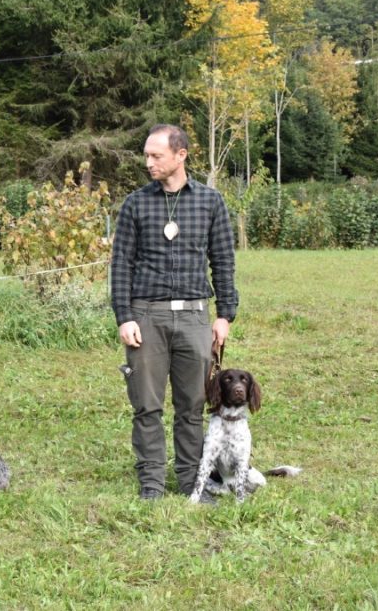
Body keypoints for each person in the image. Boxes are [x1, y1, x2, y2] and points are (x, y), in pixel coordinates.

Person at [110, 124, 238, 501]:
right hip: (146, 318)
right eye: (146, 155)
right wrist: (124, 315)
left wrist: (224, 314)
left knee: (192, 407)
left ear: (180, 155)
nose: (148, 162)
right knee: (146, 406)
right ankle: (150, 484)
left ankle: (190, 483)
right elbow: (121, 265)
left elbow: (224, 262)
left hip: (195, 318)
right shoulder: (135, 203)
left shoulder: (211, 202)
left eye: (156, 156)